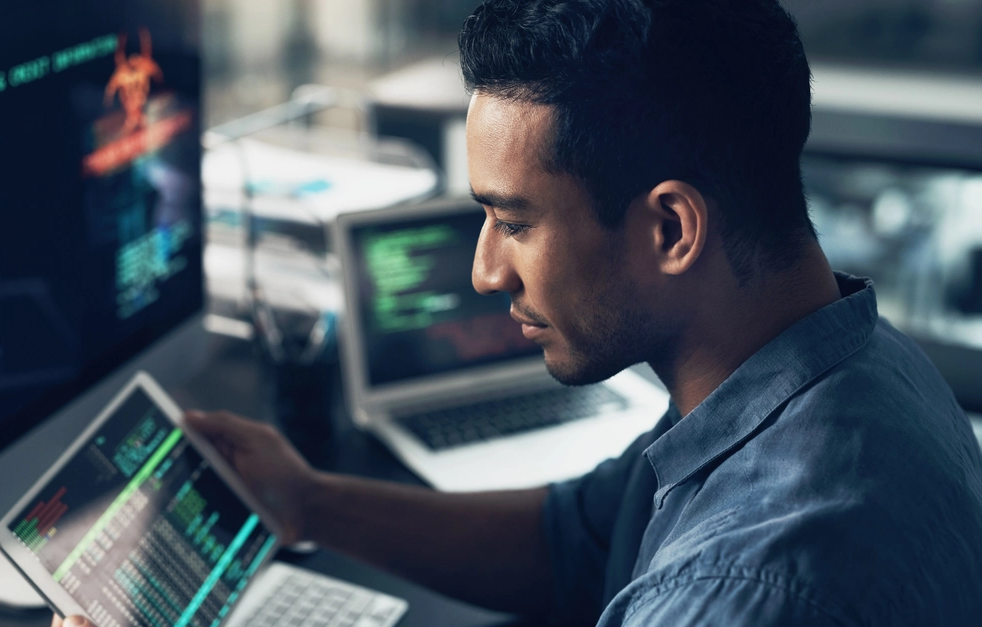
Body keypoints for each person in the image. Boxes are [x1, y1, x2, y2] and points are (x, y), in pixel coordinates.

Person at [56, 0, 982, 625]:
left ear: (670, 228)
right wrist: (308, 501)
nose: (485, 270)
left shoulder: (744, 589)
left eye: (515, 221)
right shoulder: (849, 361)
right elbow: (577, 541)